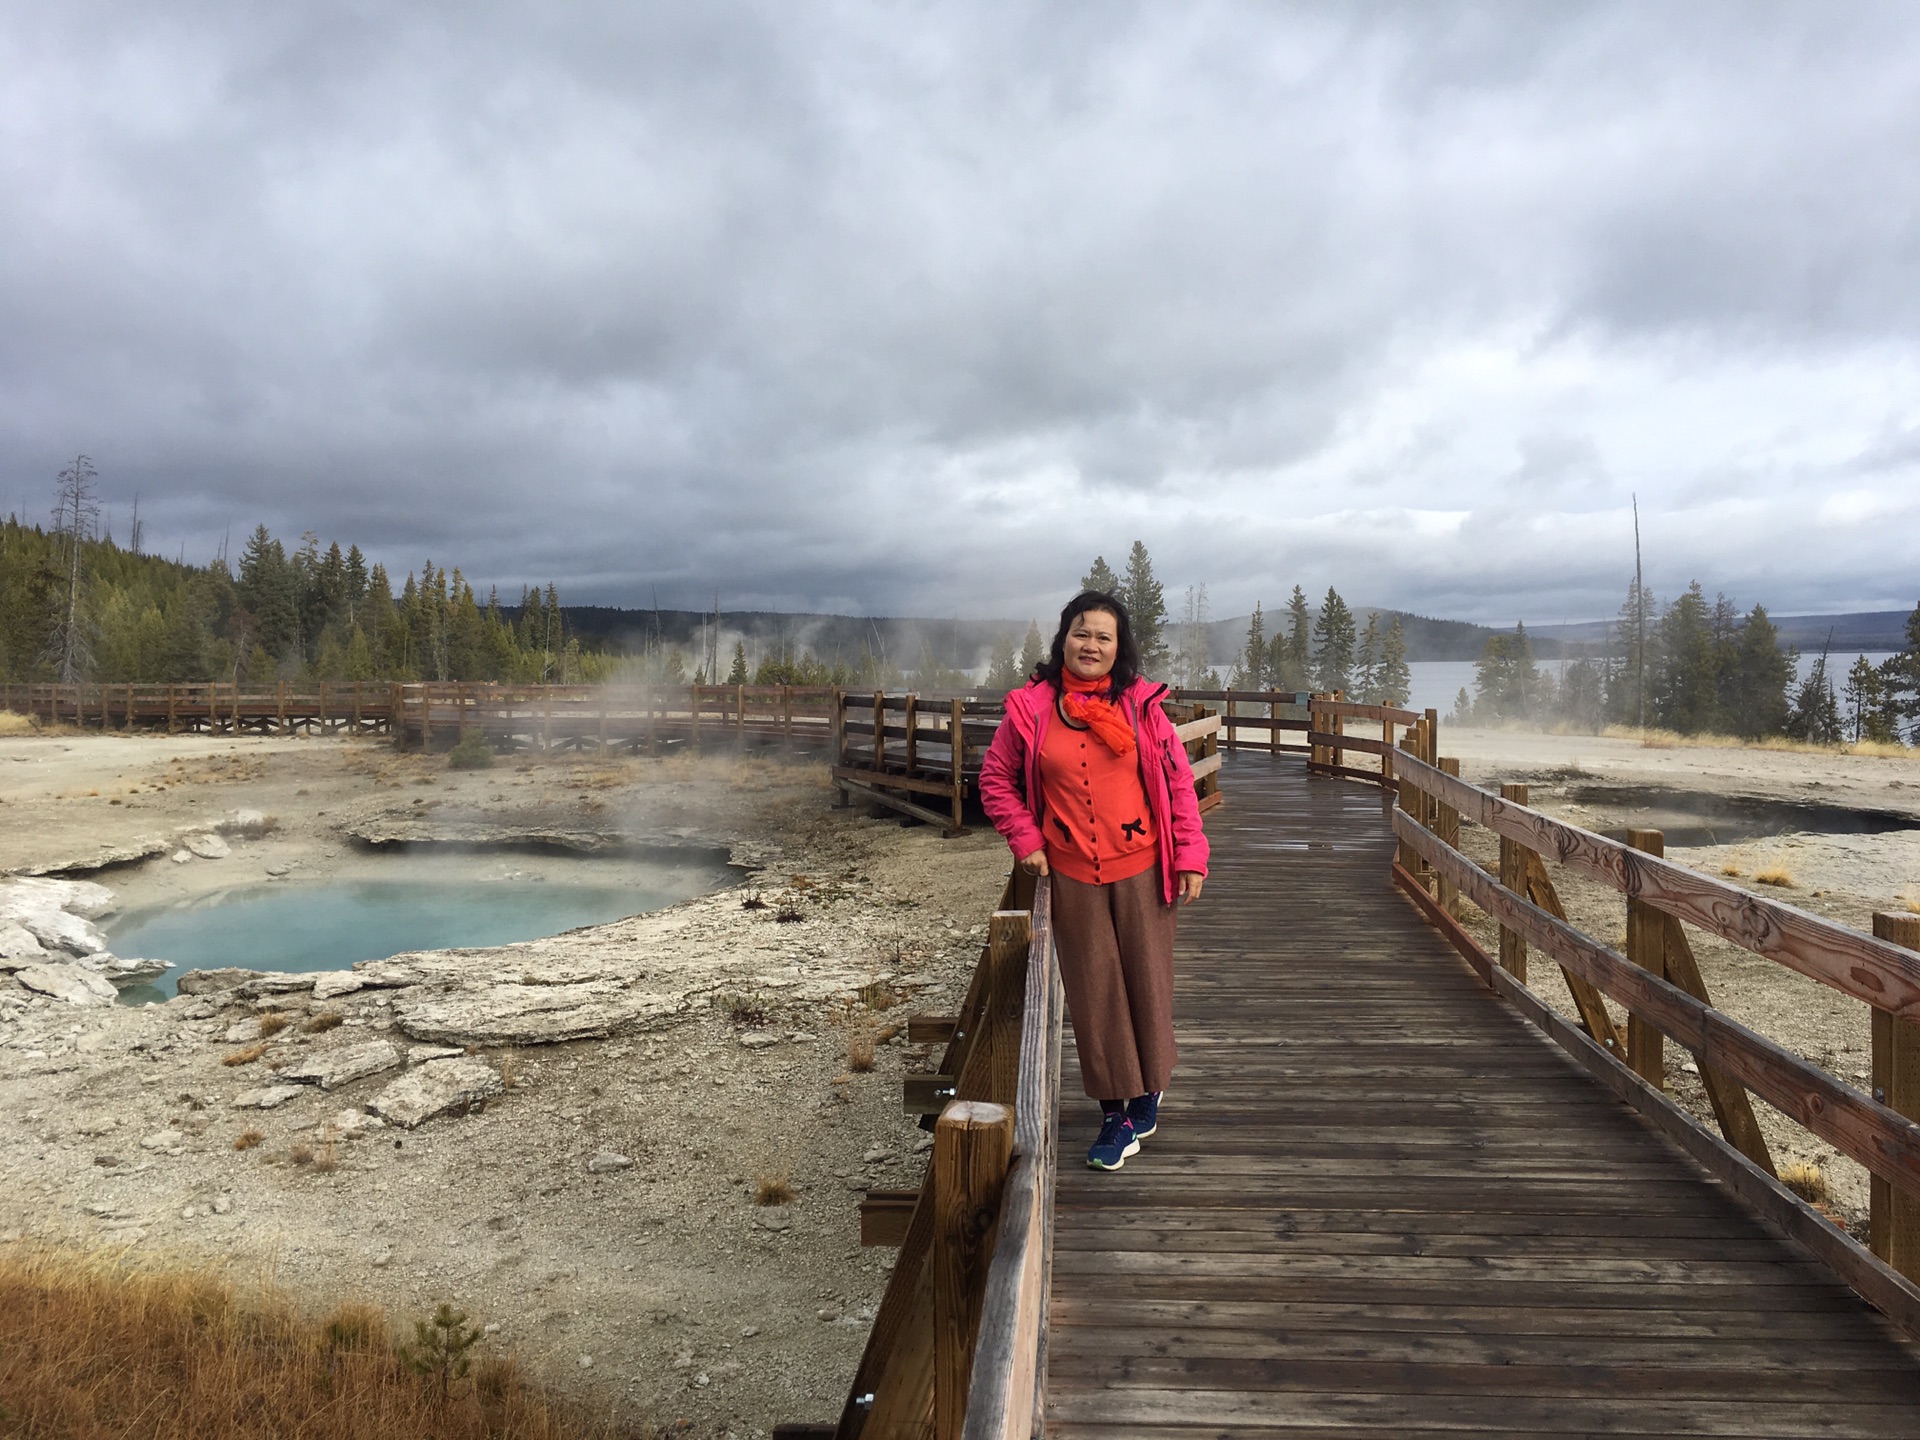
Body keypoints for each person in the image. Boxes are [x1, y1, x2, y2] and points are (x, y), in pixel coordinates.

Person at [978, 590, 1209, 1170]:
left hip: (1143, 866)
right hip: (1073, 873)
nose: (1091, 645)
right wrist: (1026, 839)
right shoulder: (1030, 710)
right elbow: (995, 779)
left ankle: (1148, 1092)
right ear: (1063, 640)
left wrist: (1191, 854)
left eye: (1104, 636)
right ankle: (1115, 1108)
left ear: (1118, 648)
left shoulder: (1140, 707)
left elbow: (1178, 782)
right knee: (1094, 988)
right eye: (1082, 633)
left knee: (1146, 980)